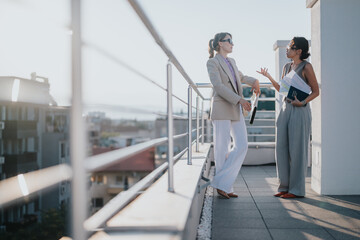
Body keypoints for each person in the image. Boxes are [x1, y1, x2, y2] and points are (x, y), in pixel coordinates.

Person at [257, 37, 319, 198]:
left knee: (298, 150)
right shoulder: (286, 66)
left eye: (291, 47)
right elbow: (282, 89)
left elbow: (316, 91)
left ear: (299, 51)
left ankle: (296, 190)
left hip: (300, 110)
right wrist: (269, 77)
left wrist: (303, 102)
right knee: (281, 148)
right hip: (286, 108)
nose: (287, 49)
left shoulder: (307, 66)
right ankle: (284, 186)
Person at [207, 32, 260, 199]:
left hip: (235, 107)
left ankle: (220, 182)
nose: (232, 44)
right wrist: (240, 100)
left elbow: (241, 77)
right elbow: (218, 86)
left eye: (232, 40)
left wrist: (255, 81)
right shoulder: (212, 62)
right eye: (229, 41)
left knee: (242, 145)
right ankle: (226, 187)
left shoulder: (232, 61)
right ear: (220, 44)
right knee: (222, 148)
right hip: (222, 107)